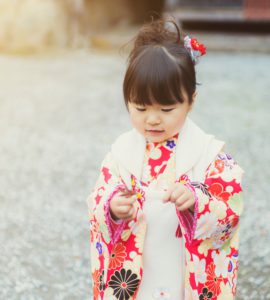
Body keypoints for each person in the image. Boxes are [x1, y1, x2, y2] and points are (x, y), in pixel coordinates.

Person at [87, 18, 244, 300]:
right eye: (140, 107)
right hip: (138, 272)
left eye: (167, 108)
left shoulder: (209, 154)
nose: (153, 119)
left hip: (183, 272)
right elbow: (98, 199)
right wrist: (112, 206)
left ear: (191, 100)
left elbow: (230, 210)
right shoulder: (120, 153)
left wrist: (198, 201)